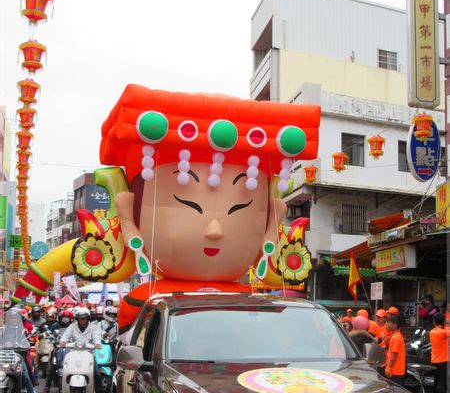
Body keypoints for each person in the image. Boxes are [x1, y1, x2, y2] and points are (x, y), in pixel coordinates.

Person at [98, 85, 319, 336]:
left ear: (272, 219)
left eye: (240, 208)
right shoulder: (150, 301)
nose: (215, 230)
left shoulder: (256, 304)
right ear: (130, 213)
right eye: (188, 204)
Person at [59, 307, 108, 393]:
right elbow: (66, 336)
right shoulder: (72, 327)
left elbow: (96, 337)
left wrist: (97, 344)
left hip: (89, 354)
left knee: (97, 375)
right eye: (80, 318)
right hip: (74, 353)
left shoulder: (93, 327)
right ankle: (63, 389)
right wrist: (63, 341)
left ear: (88, 318)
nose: (82, 320)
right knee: (62, 370)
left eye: (84, 318)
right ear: (77, 319)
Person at [429, 313, 449, 393]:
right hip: (442, 361)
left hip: (434, 360)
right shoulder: (443, 332)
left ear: (434, 322)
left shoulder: (432, 332)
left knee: (436, 382)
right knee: (441, 382)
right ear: (443, 322)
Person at [384, 315, 406, 387]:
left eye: (388, 322)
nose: (386, 324)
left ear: (395, 325)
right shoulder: (395, 336)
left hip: (396, 372)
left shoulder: (396, 337)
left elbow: (394, 354)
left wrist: (388, 367)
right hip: (395, 371)